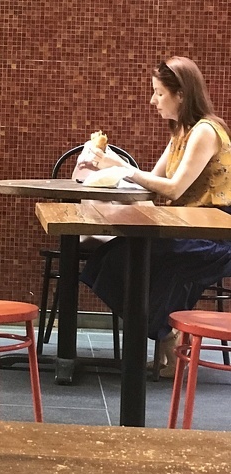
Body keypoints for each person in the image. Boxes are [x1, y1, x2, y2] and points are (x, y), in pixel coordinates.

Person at [78, 56, 231, 377]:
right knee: (108, 259)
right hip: (186, 228)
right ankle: (166, 336)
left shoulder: (206, 131)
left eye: (159, 93)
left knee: (136, 259)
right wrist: (108, 169)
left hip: (216, 235)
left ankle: (168, 338)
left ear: (181, 95)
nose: (153, 100)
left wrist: (123, 168)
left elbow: (174, 188)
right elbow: (152, 181)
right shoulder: (181, 132)